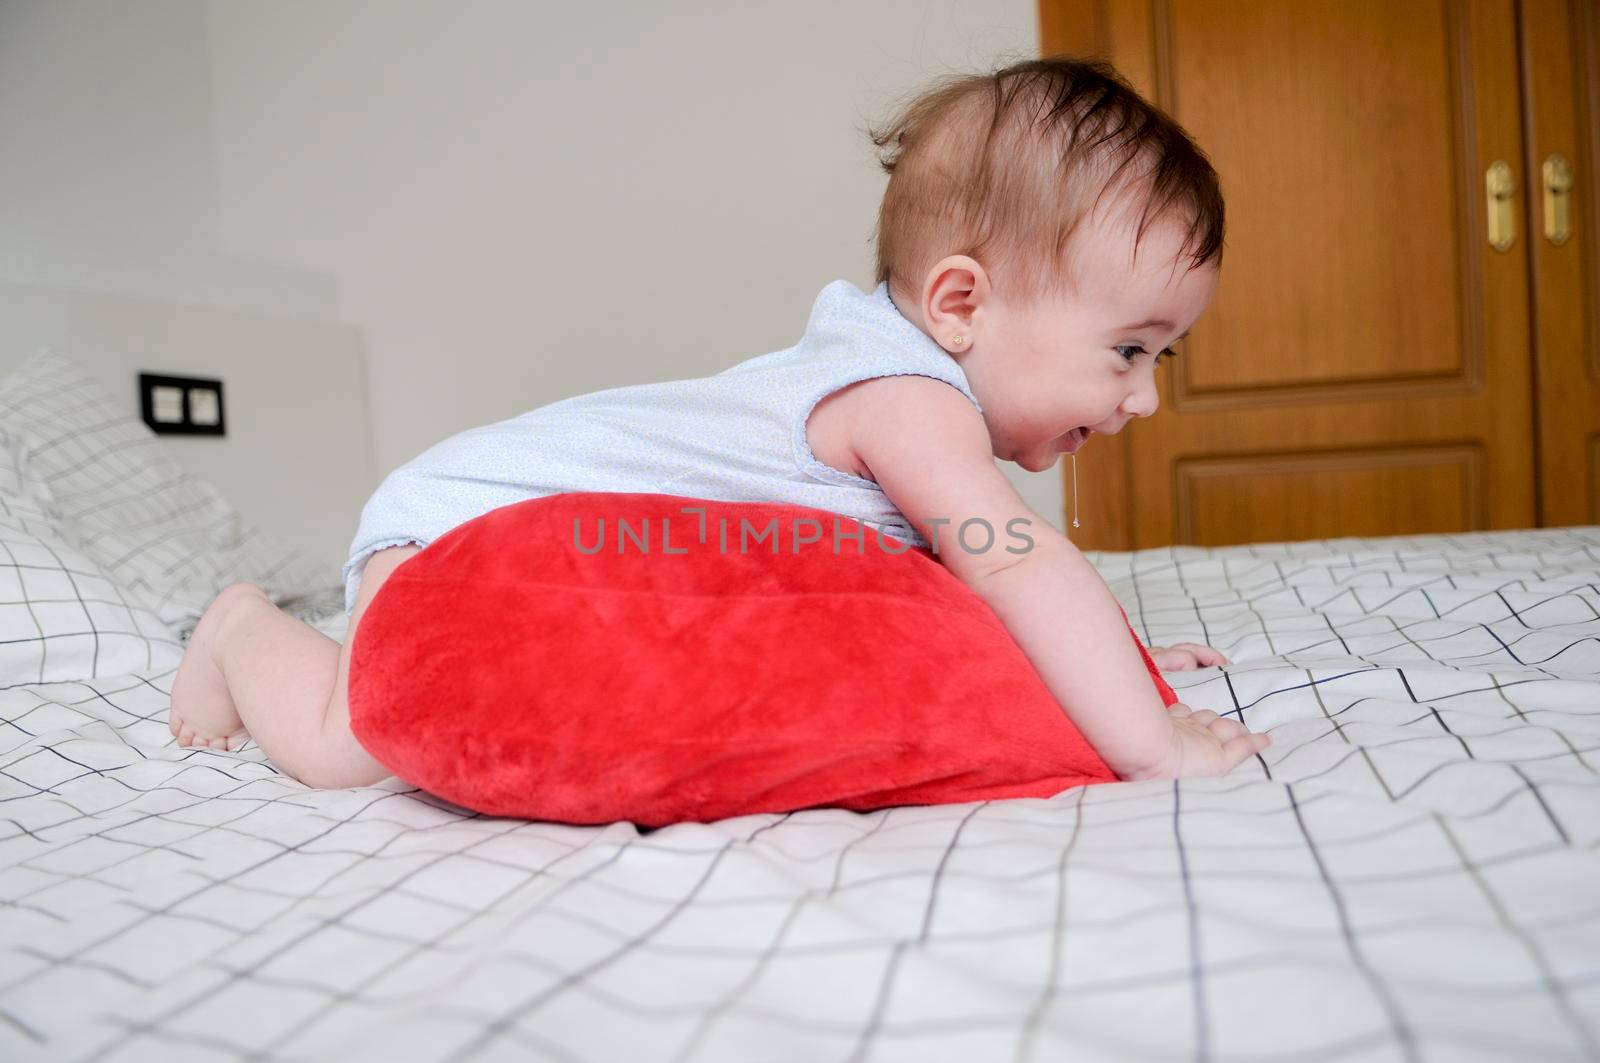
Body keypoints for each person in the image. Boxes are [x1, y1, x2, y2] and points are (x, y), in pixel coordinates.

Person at [168, 55, 1271, 790]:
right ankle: (239, 627)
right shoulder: (905, 400)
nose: (1143, 397)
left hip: (525, 539)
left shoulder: (907, 392)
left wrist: (1112, 655)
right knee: (345, 744)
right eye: (1126, 350)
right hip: (452, 522)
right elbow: (1014, 561)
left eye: (1161, 355)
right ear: (961, 303)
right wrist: (1149, 734)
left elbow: (963, 587)